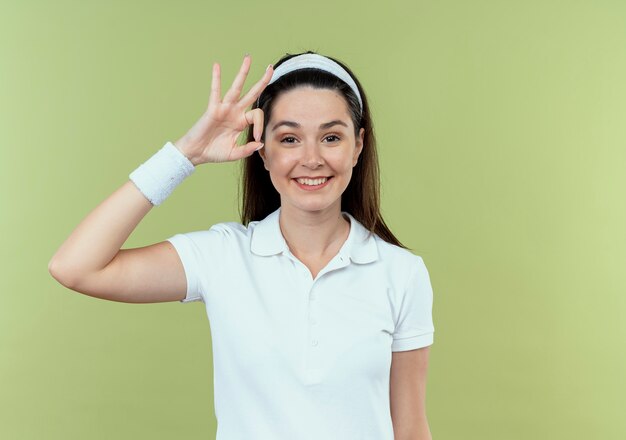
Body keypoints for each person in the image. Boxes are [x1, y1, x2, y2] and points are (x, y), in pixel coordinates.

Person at [48, 50, 435, 440]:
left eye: (331, 137)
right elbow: (75, 267)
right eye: (289, 139)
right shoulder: (223, 257)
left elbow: (411, 428)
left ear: (358, 145)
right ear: (262, 149)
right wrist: (186, 153)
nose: (312, 158)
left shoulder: (401, 272)